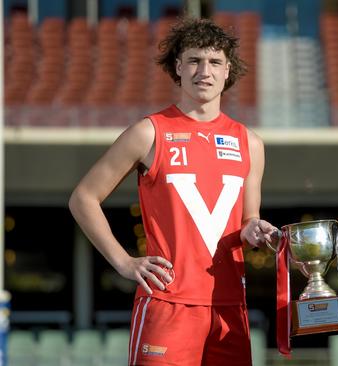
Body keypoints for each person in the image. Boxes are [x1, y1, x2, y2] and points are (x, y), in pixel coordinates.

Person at [69, 17, 275, 366]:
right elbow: (83, 198)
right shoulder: (150, 132)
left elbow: (247, 219)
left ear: (228, 71)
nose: (203, 71)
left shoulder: (249, 142)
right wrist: (124, 262)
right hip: (168, 305)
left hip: (229, 309)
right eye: (194, 60)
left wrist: (256, 229)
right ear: (178, 67)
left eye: (214, 62)